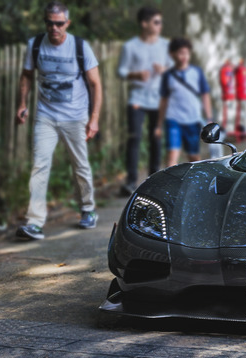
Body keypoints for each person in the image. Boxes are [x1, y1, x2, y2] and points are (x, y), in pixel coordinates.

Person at [15, 1, 102, 240]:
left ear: (67, 23)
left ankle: (87, 209)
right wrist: (22, 103)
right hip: (46, 115)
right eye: (49, 23)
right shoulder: (35, 45)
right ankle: (34, 222)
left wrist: (94, 119)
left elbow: (96, 84)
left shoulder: (79, 46)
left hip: (75, 116)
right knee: (40, 166)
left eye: (59, 23)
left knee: (80, 164)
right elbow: (26, 76)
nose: (54, 28)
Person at [117, 6, 172, 196]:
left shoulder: (165, 45)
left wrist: (163, 70)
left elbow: (175, 69)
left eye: (160, 22)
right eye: (156, 22)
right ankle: (131, 181)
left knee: (156, 138)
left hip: (158, 99)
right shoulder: (130, 46)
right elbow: (122, 71)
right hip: (137, 99)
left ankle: (153, 178)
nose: (160, 26)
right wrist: (136, 74)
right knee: (134, 138)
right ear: (144, 24)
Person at [156, 37, 212, 167]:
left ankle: (198, 183)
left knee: (194, 157)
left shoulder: (197, 72)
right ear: (172, 54)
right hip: (173, 119)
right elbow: (164, 100)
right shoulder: (168, 76)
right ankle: (169, 186)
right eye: (181, 53)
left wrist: (209, 118)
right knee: (171, 155)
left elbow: (205, 95)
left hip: (192, 120)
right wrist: (158, 124)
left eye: (187, 53)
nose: (184, 56)